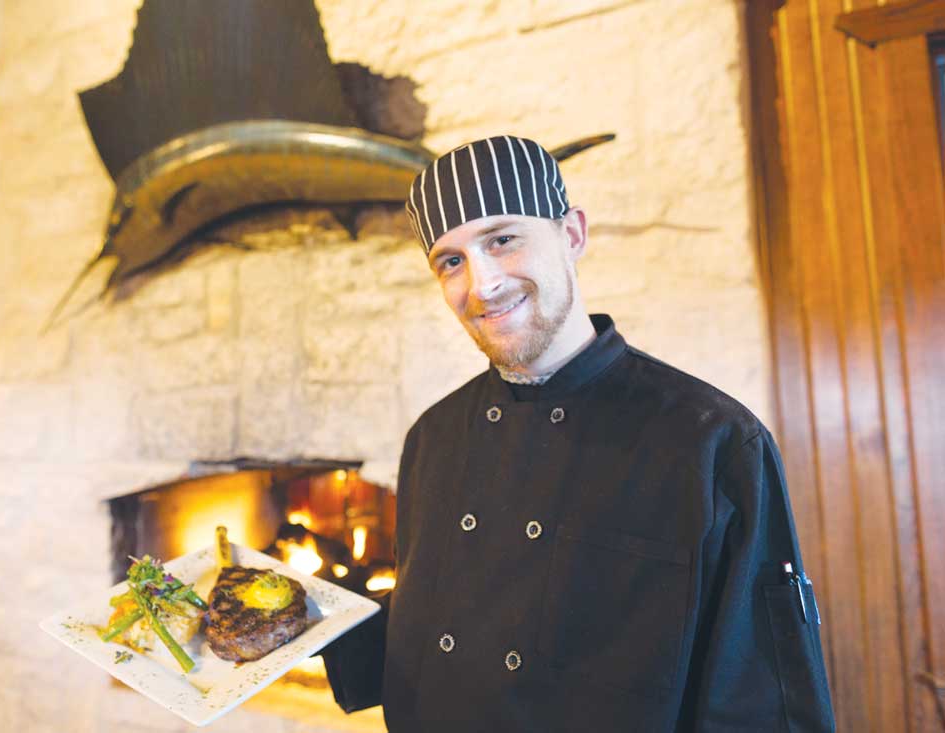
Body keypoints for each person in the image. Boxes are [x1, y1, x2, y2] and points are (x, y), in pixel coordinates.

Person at [320, 135, 835, 732]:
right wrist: (305, 617)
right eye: (451, 260)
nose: (482, 285)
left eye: (503, 239)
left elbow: (763, 698)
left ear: (571, 235)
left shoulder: (713, 440)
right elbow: (435, 623)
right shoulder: (432, 438)